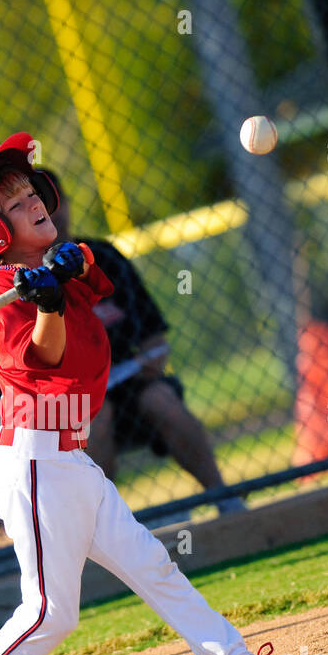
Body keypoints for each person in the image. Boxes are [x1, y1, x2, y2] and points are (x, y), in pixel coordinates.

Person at [0, 133, 309, 655]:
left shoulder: (53, 266)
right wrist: (40, 304)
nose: (30, 195)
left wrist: (60, 272)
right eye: (9, 198)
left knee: (153, 564)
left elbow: (90, 279)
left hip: (68, 461)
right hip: (34, 465)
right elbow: (45, 360)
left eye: (28, 186)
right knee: (49, 613)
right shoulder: (4, 295)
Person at [41, 171, 244, 516]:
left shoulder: (102, 256)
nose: (56, 215)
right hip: (71, 399)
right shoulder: (24, 281)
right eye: (44, 209)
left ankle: (225, 498)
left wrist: (153, 356)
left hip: (128, 381)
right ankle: (106, 525)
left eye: (58, 203)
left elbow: (152, 332)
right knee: (96, 417)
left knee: (162, 400)